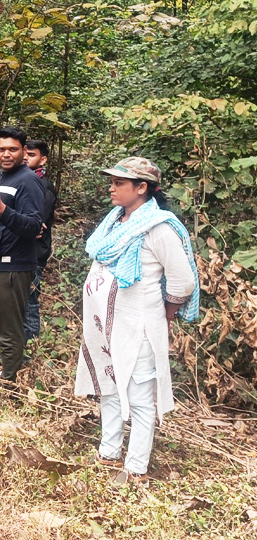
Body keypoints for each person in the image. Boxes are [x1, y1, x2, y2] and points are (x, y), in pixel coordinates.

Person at [75, 157, 199, 483]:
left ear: (142, 188)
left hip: (140, 324)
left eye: (119, 183)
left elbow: (183, 281)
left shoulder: (158, 227)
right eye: (112, 181)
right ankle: (109, 451)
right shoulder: (116, 220)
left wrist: (167, 313)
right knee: (110, 388)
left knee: (141, 397)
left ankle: (135, 469)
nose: (112, 188)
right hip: (107, 324)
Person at [0, 126, 45, 382]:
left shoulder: (28, 181)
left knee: (9, 329)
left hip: (13, 264)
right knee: (1, 325)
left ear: (23, 151)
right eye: (1, 149)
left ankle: (8, 384)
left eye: (13, 149)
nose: (7, 154)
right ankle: (7, 372)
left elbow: (32, 226)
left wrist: (1, 208)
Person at [24, 139, 58, 347]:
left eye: (32, 155)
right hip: (20, 250)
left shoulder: (44, 185)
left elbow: (37, 223)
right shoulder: (23, 180)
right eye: (25, 154)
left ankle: (31, 345)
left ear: (43, 159)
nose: (26, 157)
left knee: (29, 298)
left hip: (35, 252)